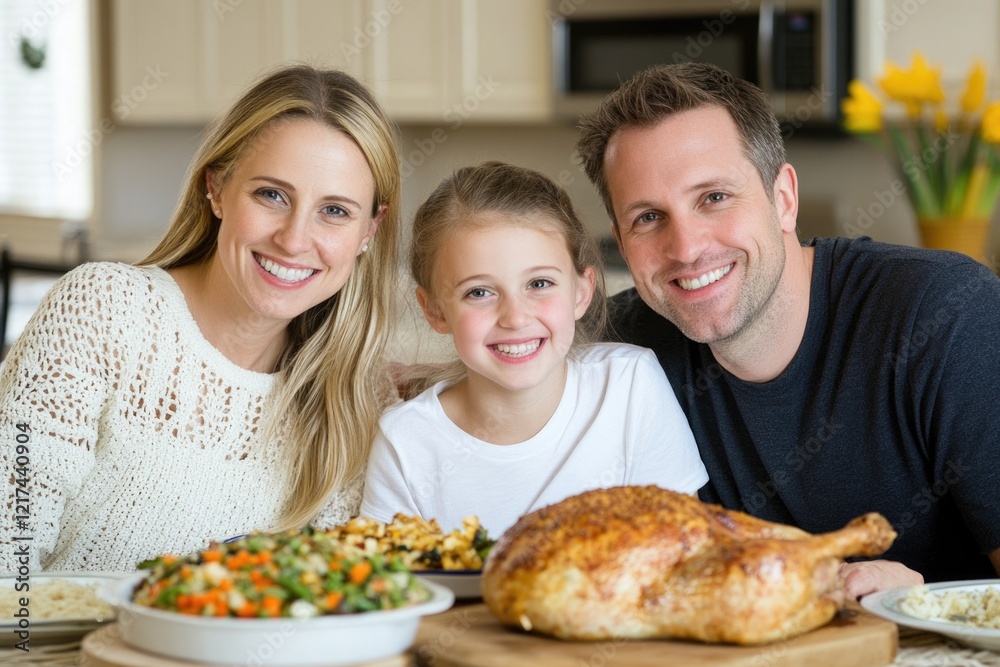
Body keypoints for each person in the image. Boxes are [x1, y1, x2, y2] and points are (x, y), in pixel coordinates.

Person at [576, 62, 1000, 597]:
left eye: (714, 197)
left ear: (783, 199)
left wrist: (920, 607)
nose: (685, 248)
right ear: (619, 236)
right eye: (648, 218)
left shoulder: (945, 315)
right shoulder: (613, 355)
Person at [0, 64, 401, 572]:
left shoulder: (355, 398)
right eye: (271, 195)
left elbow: (330, 599)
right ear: (216, 189)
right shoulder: (101, 309)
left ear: (370, 230)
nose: (295, 239)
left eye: (336, 211)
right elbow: (7, 550)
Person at [360, 161, 707, 535]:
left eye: (539, 284)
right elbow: (392, 582)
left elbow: (682, 543)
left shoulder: (629, 386)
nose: (514, 317)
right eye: (479, 292)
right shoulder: (406, 443)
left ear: (581, 292)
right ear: (435, 311)